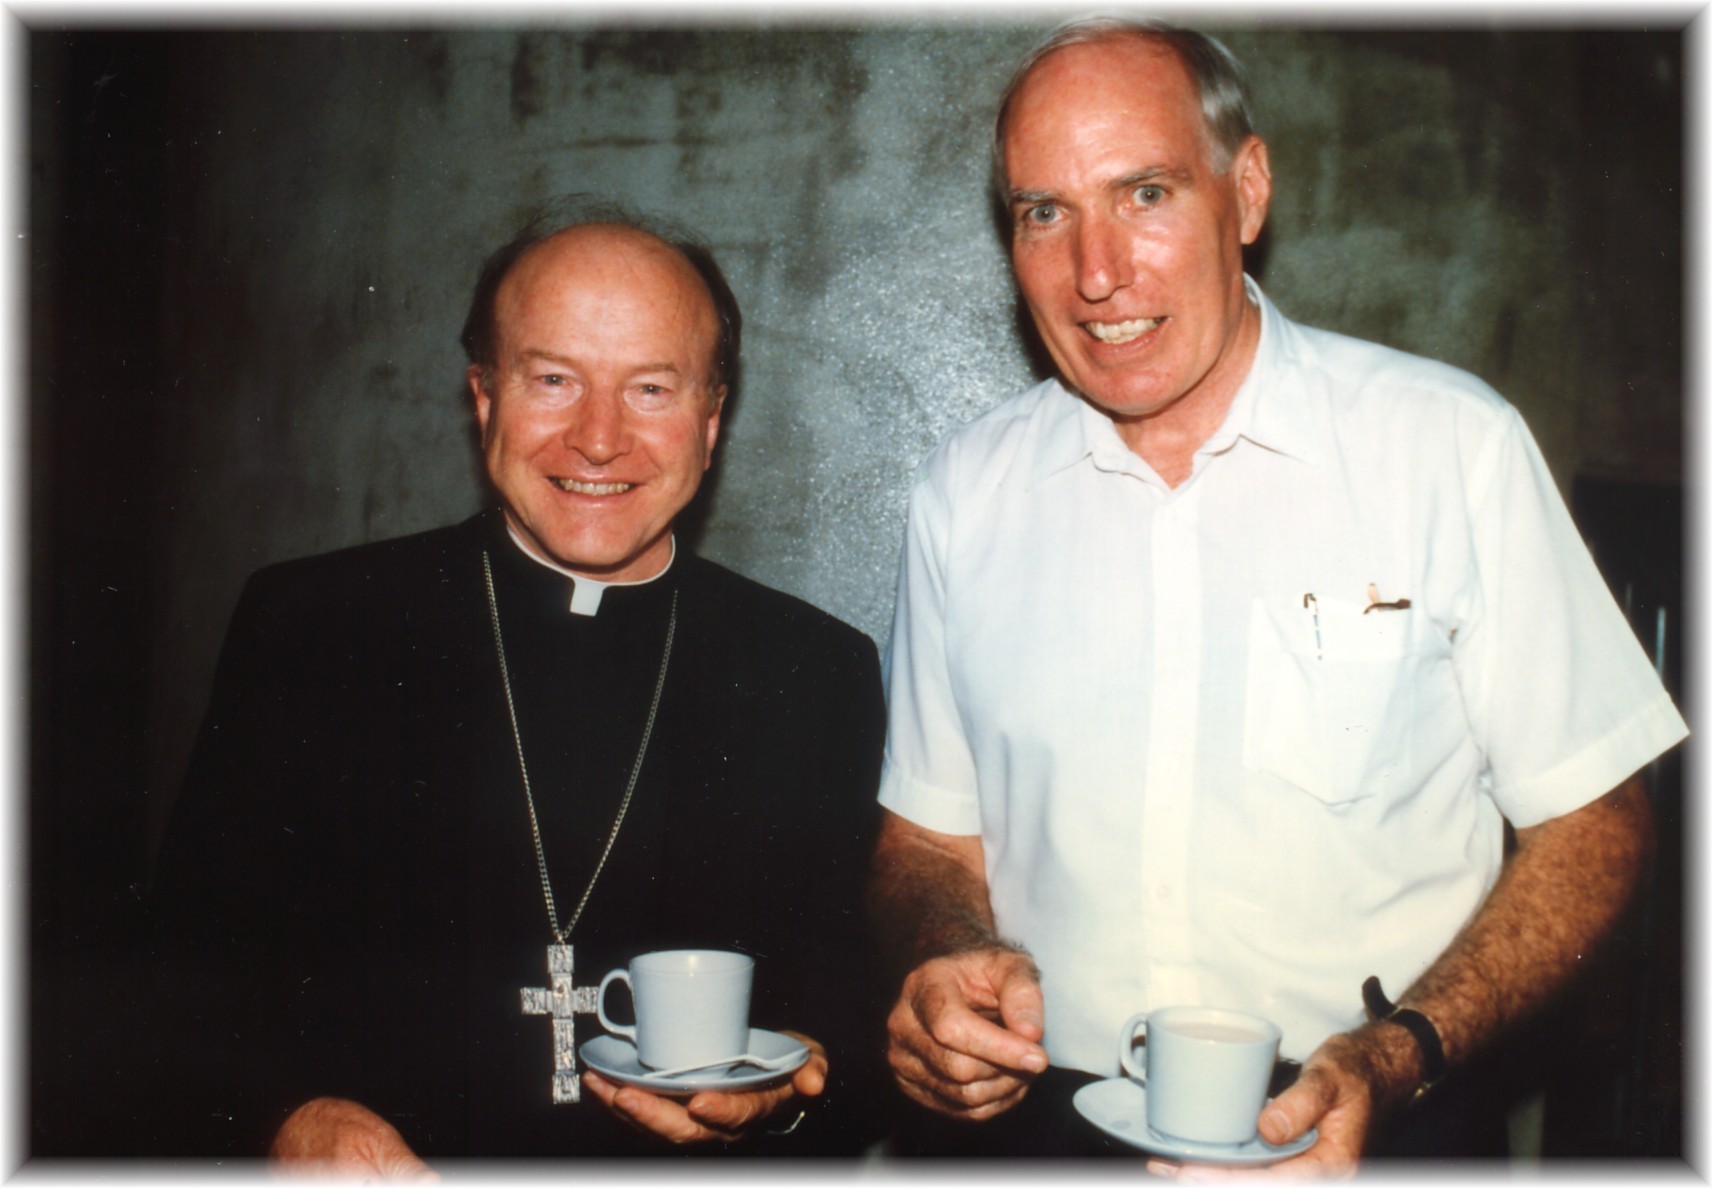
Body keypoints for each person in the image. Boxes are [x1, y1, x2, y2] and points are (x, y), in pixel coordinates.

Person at [869, 18, 1687, 1169]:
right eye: (1042, 212)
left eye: (1142, 193)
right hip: (1043, 1136)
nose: (1093, 273)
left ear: (1244, 191)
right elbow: (927, 841)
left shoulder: (1445, 447)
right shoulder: (963, 494)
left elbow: (1595, 818)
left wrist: (1400, 1051)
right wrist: (941, 958)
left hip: (1375, 1121)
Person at [149, 202, 889, 1170]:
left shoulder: (810, 672)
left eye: (651, 390)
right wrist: (287, 1118)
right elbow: (170, 983)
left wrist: (785, 1103)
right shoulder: (313, 631)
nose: (596, 439)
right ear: (484, 395)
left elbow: (852, 1029)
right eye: (552, 379)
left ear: (711, 423)